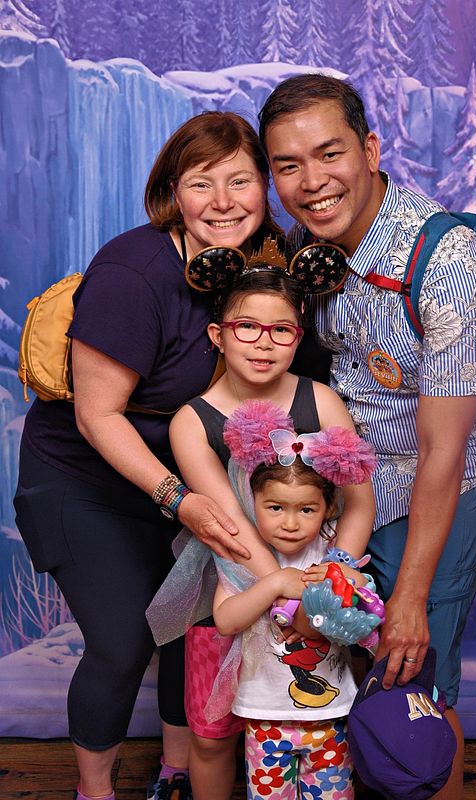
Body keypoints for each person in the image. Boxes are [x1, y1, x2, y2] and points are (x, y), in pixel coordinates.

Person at [13, 110, 292, 800]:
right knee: (122, 639)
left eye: (240, 181)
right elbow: (96, 415)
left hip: (191, 473)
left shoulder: (265, 264)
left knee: (191, 627)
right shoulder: (132, 273)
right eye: (201, 183)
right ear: (173, 192)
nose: (223, 202)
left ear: (264, 188)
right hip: (86, 478)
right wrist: (178, 499)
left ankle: (175, 773)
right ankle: (94, 790)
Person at [258, 74, 476, 798]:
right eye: (287, 165)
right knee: (346, 664)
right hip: (352, 479)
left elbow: (444, 452)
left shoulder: (449, 265)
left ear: (369, 150)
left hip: (440, 478)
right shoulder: (311, 248)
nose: (311, 183)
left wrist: (409, 596)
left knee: (415, 680)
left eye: (329, 154)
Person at [160, 261, 376, 800]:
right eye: (247, 327)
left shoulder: (320, 401)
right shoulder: (193, 421)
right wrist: (284, 593)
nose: (263, 342)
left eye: (281, 329)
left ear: (298, 337)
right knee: (211, 735)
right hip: (231, 580)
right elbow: (228, 522)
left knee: (317, 718)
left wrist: (331, 580)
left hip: (317, 580)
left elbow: (358, 500)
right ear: (218, 335)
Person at [211, 399, 379, 800]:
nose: (289, 523)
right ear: (252, 501)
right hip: (265, 719)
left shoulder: (330, 555)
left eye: (306, 509)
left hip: (332, 716)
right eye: (275, 507)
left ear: (327, 508)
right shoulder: (246, 560)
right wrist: (274, 584)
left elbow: (366, 610)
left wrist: (348, 578)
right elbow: (225, 620)